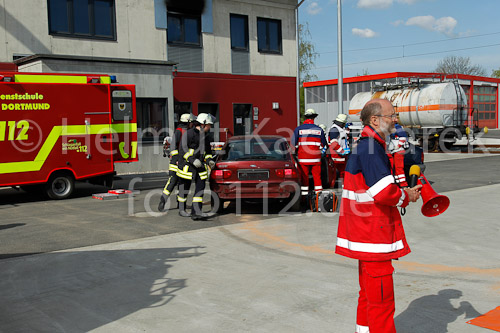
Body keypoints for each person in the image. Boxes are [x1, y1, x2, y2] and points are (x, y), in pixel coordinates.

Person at [335, 99, 422, 333]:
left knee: (368, 297)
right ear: (374, 120)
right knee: (382, 304)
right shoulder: (372, 148)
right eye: (391, 115)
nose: (395, 119)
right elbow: (384, 193)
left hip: (365, 235)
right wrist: (407, 197)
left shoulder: (367, 145)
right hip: (374, 236)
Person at [176, 113, 216, 220]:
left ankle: (196, 212)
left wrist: (209, 160)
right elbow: (182, 150)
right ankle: (181, 209)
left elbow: (207, 152)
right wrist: (192, 160)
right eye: (209, 125)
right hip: (187, 167)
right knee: (184, 190)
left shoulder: (206, 137)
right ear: (202, 124)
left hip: (200, 167)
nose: (210, 127)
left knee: (200, 188)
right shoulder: (188, 134)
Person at [158, 113, 195, 212]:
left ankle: (180, 203)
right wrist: (176, 159)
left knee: (182, 183)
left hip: (183, 162)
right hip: (176, 162)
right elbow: (173, 147)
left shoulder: (188, 132)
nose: (192, 124)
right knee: (173, 181)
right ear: (187, 122)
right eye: (191, 122)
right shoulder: (179, 132)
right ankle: (163, 200)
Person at [292, 108, 327, 198]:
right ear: (314, 118)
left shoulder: (298, 129)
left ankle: (304, 198)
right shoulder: (319, 130)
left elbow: (293, 144)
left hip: (303, 158)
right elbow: (324, 145)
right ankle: (319, 197)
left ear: (305, 118)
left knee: (304, 177)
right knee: (317, 177)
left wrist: (295, 154)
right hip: (316, 158)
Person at [388, 123, 409, 187]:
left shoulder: (397, 127)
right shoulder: (393, 127)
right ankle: (398, 183)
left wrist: (398, 145)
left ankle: (403, 184)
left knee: (398, 167)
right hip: (394, 150)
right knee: (395, 168)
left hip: (398, 150)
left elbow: (403, 138)